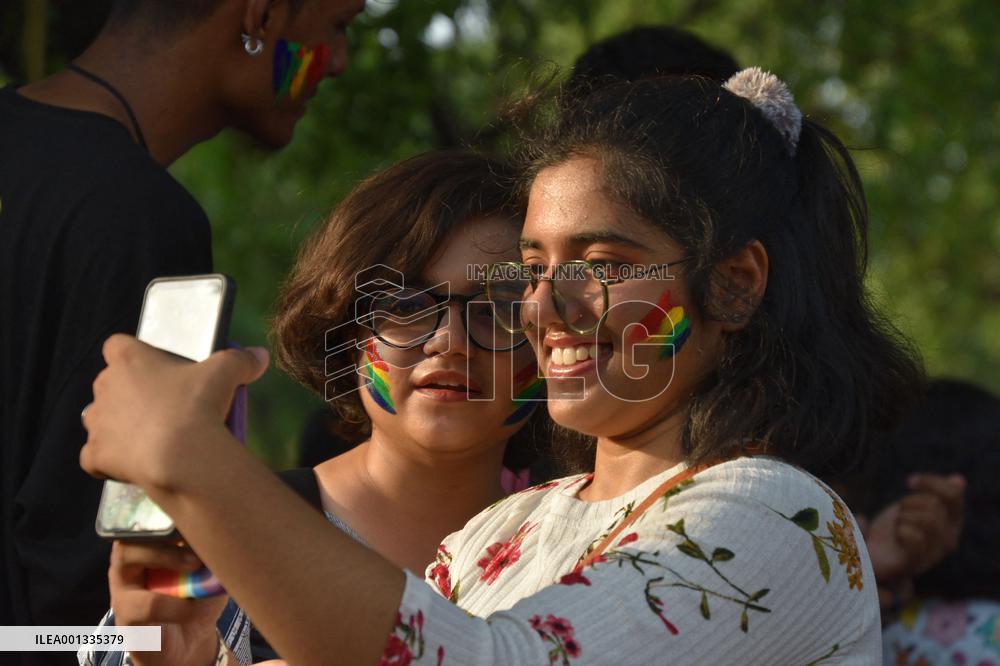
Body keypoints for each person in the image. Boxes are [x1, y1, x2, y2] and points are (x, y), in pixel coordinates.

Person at [78, 68, 925, 663]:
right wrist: (175, 660)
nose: (543, 309)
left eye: (596, 263)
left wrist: (195, 462)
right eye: (531, 269)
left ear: (733, 285)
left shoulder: (776, 517)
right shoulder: (501, 533)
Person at [78, 150, 551, 665]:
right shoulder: (219, 530)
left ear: (553, 340)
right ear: (347, 334)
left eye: (499, 308)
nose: (449, 340)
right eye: (406, 305)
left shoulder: (587, 549)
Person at [0, 0, 364, 641]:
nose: (336, 62)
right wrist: (146, 648)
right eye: (337, 28)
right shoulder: (135, 217)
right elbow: (88, 582)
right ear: (261, 19)